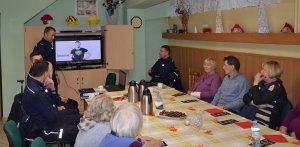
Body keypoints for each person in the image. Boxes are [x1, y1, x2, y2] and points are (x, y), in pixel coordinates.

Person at [22, 61, 78, 145]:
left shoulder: (34, 85)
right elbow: (53, 116)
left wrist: (52, 89)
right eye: (48, 71)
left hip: (44, 122)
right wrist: (54, 108)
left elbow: (52, 102)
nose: (48, 74)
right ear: (45, 73)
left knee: (77, 119)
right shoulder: (37, 93)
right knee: (76, 131)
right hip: (42, 131)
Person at [242, 61, 287, 129]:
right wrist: (254, 104)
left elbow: (258, 100)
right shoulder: (262, 83)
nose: (261, 71)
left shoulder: (277, 88)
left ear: (272, 72)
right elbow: (245, 97)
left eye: (264, 70)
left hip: (265, 124)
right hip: (252, 119)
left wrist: (255, 83)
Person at [33, 26, 58, 90]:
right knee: (49, 97)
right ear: (46, 34)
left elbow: (52, 61)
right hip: (45, 77)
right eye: (52, 35)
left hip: (52, 74)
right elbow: (37, 65)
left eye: (54, 36)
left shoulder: (50, 44)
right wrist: (45, 78)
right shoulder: (40, 46)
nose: (53, 37)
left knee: (54, 94)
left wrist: (55, 74)